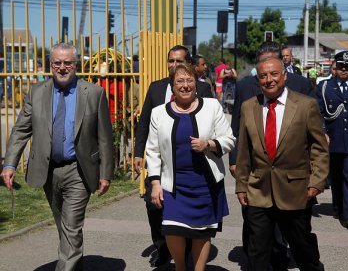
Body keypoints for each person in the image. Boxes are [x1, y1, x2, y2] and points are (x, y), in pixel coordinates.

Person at [0, 43, 114, 270]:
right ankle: (74, 264)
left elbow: (104, 137)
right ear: (51, 65)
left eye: (67, 63)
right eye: (57, 63)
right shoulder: (37, 91)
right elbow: (22, 129)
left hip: (79, 170)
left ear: (76, 64)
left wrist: (105, 174)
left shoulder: (93, 93)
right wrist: (10, 163)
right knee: (63, 226)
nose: (62, 68)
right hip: (48, 170)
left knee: (71, 226)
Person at [235, 56, 328, 271]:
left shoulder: (306, 105)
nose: (269, 80)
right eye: (263, 76)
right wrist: (241, 184)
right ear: (258, 80)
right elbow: (244, 150)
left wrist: (317, 180)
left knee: (303, 249)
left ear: (284, 76)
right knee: (257, 252)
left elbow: (319, 147)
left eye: (274, 74)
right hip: (259, 191)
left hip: (296, 190)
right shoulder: (249, 107)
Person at [146, 63, 235, 271]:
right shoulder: (158, 113)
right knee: (171, 229)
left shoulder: (212, 106)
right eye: (180, 81)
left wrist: (209, 144)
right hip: (173, 184)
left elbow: (229, 139)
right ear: (172, 85)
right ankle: (180, 267)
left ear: (196, 83)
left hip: (204, 183)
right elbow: (153, 150)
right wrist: (155, 183)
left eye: (189, 80)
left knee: (202, 232)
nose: (185, 85)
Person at [133, 45, 213, 267]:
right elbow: (144, 123)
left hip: (191, 161)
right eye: (171, 61)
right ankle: (162, 247)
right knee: (154, 204)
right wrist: (139, 153)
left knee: (185, 212)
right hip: (159, 159)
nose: (174, 65)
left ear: (188, 63)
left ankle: (185, 252)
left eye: (179, 61)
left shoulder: (203, 89)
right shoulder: (156, 88)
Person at [315, 50, 348, 229]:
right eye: (341, 66)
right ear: (335, 68)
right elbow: (318, 114)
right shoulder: (324, 87)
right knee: (336, 177)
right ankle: (338, 207)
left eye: (347, 67)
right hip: (332, 140)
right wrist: (322, 132)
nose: (344, 70)